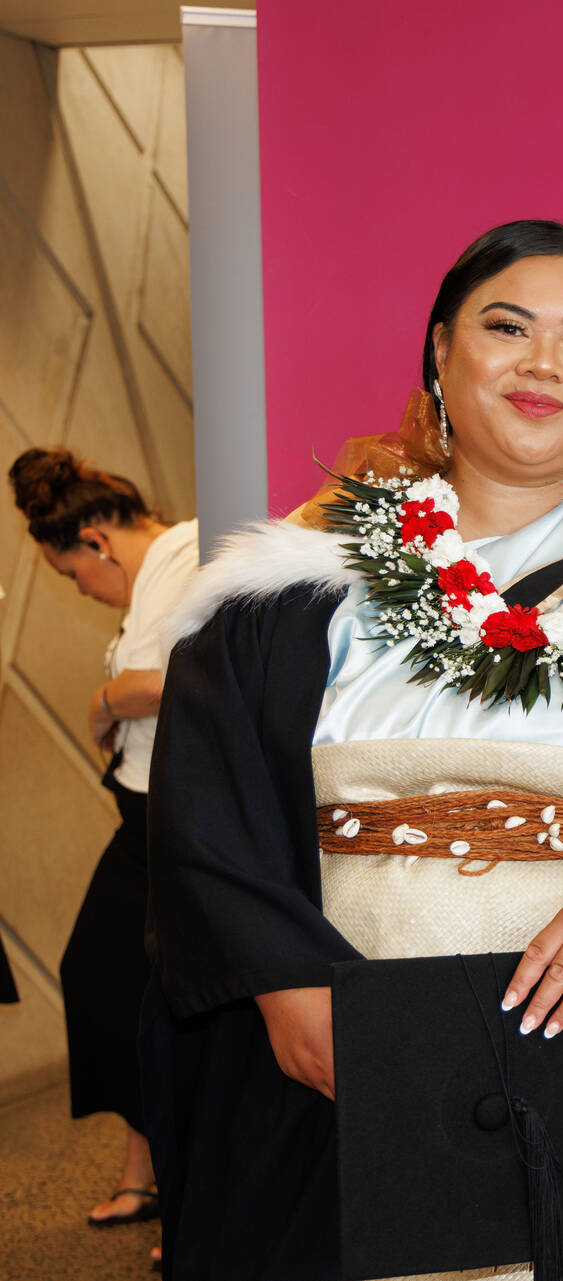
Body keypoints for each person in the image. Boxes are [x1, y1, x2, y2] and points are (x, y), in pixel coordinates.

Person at [141, 220, 563, 1280]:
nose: (543, 364)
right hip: (345, 1053)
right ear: (440, 349)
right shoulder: (298, 590)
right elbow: (209, 804)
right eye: (507, 328)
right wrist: (281, 984)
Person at [7, 448, 199, 1235]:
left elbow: (181, 678)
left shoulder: (186, 553)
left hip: (178, 816)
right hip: (142, 813)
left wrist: (104, 701)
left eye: (71, 573)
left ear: (95, 541)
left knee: (155, 994)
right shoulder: (151, 575)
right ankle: (145, 1173)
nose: (80, 588)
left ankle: (180, 1190)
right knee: (104, 978)